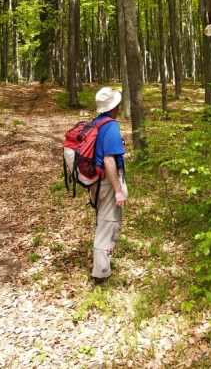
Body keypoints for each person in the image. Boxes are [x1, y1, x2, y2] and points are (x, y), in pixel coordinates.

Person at [91, 87, 127, 286]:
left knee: (104, 222)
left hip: (97, 182)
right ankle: (101, 274)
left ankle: (103, 263)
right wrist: (118, 190)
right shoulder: (111, 126)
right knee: (107, 224)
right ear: (115, 106)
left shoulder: (96, 123)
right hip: (107, 181)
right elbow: (109, 160)